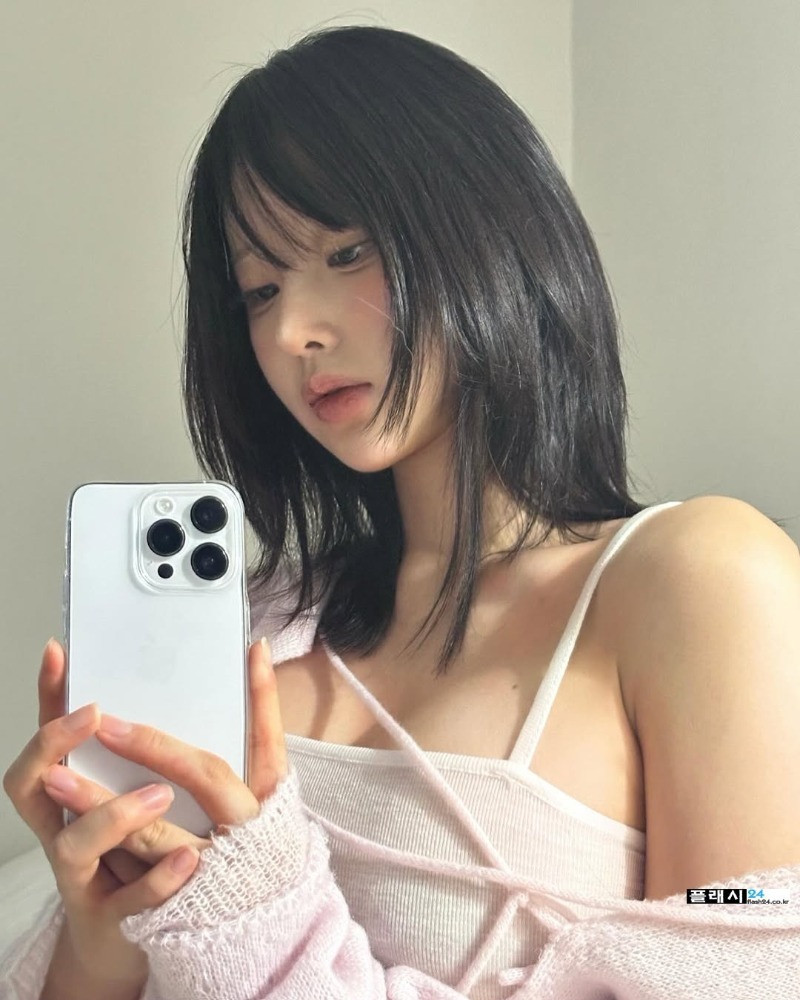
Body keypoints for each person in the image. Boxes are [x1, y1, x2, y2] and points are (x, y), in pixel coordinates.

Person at [3, 24, 800, 1000]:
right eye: (258, 290)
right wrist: (100, 931)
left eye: (345, 251)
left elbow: (747, 948)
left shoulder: (701, 577)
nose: (291, 331)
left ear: (490, 228)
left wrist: (255, 911)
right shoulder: (253, 629)